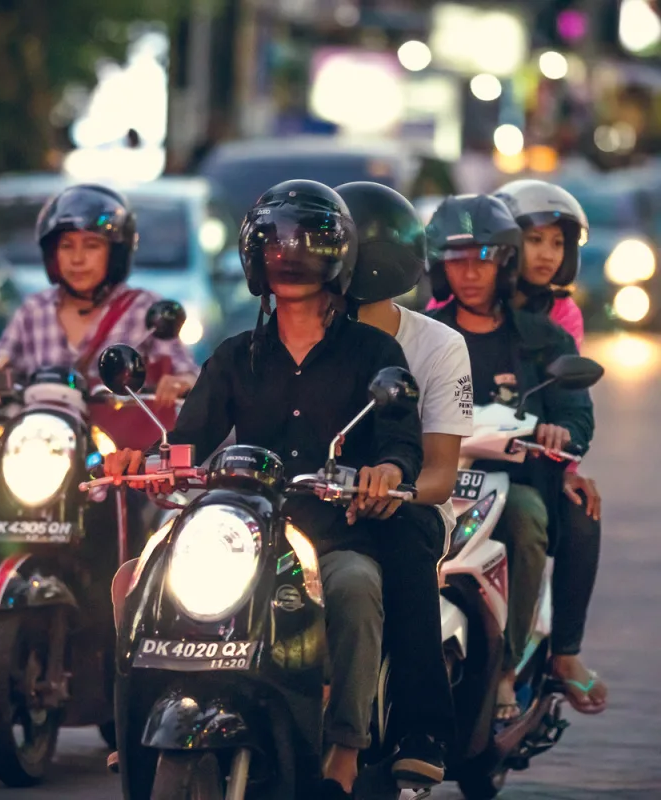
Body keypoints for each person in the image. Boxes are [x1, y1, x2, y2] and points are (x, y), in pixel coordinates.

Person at [105, 180, 443, 798]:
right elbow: (188, 439)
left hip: (334, 532)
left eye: (305, 243)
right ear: (255, 258)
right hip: (241, 534)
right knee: (138, 576)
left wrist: (387, 472)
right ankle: (131, 723)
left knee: (358, 586)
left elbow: (400, 439)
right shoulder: (236, 356)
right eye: (275, 242)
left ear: (337, 257)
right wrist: (147, 461)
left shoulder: (373, 352)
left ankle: (343, 750)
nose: (288, 254)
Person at [424, 194, 595, 723]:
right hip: (438, 484)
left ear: (504, 263)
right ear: (438, 268)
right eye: (456, 260)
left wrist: (558, 431)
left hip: (512, 484)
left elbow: (577, 416)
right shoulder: (423, 334)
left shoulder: (545, 337)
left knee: (528, 518)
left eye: (482, 258)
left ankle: (506, 667)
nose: (469, 273)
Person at [334, 181, 471, 764]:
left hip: (405, 504)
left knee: (405, 548)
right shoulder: (292, 330)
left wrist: (392, 488)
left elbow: (440, 475)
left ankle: (422, 726)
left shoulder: (438, 347)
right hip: (311, 498)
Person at [494, 179, 606, 714]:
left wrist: (566, 464)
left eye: (556, 244)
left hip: (534, 459)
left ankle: (564, 653)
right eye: (534, 239)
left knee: (581, 512)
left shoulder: (562, 317)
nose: (545, 254)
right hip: (468, 456)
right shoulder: (451, 305)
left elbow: (569, 400)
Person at [0, 184, 197, 411]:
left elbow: (187, 374)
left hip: (122, 452)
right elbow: (1, 369)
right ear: (52, 254)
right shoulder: (34, 310)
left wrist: (181, 382)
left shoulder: (143, 309)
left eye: (91, 246)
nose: (77, 259)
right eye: (67, 246)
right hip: (41, 443)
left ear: (116, 253)